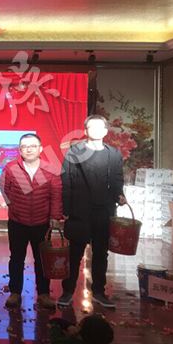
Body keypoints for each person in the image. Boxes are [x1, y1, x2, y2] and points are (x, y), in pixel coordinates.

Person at [58, 115, 126, 308]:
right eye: (91, 127)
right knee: (74, 253)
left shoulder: (114, 154)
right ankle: (67, 292)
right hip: (79, 211)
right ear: (85, 131)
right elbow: (66, 181)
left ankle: (99, 292)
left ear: (105, 131)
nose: (95, 131)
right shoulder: (75, 151)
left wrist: (119, 195)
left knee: (101, 254)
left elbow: (117, 179)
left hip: (104, 211)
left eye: (99, 127)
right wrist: (66, 209)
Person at [0, 133, 62, 310]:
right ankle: (15, 292)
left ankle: (43, 294)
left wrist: (55, 217)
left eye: (33, 146)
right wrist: (13, 206)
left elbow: (56, 195)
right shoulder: (11, 168)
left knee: (42, 259)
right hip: (17, 221)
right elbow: (4, 189)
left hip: (42, 222)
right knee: (16, 258)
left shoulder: (51, 170)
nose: (29, 149)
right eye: (24, 147)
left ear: (40, 149)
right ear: (20, 150)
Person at [49, 314, 114, 344]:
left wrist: (68, 326)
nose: (76, 324)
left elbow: (54, 321)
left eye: (79, 324)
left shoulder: (62, 342)